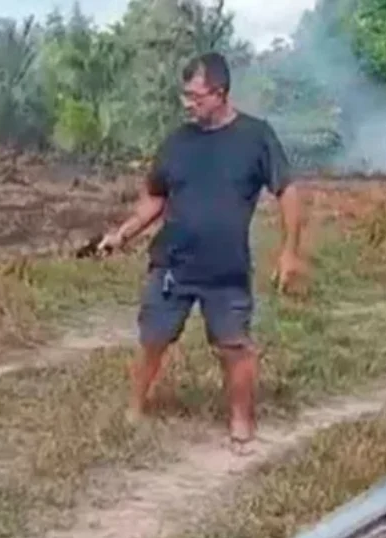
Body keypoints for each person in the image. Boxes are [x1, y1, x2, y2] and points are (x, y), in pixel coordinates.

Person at [97, 52, 303, 451]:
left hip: (226, 270)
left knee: (234, 347)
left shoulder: (256, 136)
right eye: (184, 96)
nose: (187, 105)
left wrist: (289, 252)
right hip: (173, 264)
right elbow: (154, 199)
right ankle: (135, 409)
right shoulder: (177, 141)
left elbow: (288, 191)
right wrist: (121, 235)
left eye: (195, 96)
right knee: (153, 338)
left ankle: (241, 422)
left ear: (220, 93)